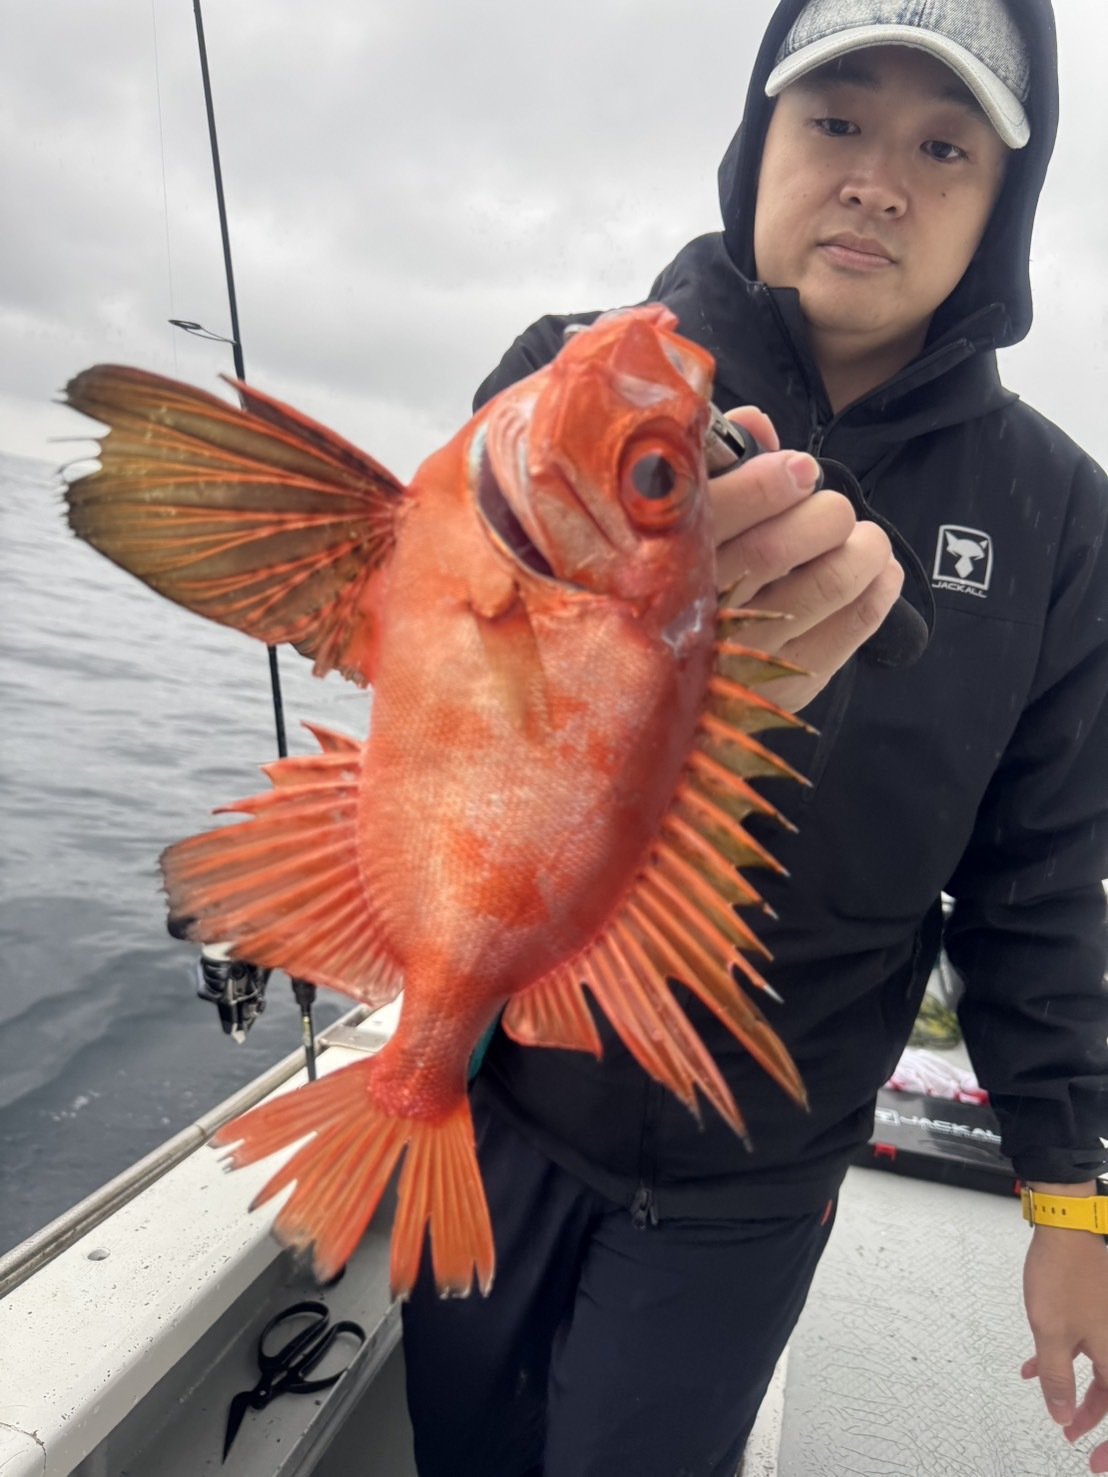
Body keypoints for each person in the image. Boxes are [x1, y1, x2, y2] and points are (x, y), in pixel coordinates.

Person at [402, 1, 1108, 1472]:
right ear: (757, 143)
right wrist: (642, 648)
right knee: (460, 1445)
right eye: (836, 120)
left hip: (760, 1171)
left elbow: (1039, 878)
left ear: (1006, 206)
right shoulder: (569, 378)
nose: (878, 181)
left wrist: (1074, 1198)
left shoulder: (1060, 516)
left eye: (945, 148)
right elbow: (435, 704)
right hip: (510, 1095)